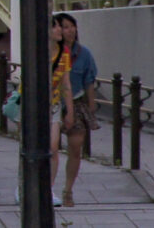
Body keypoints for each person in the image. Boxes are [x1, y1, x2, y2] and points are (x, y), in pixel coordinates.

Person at [52, 12, 99, 206]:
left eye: (72, 26)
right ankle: (50, 187)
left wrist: (91, 104)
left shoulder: (84, 54)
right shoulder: (53, 52)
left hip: (77, 102)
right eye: (65, 27)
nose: (69, 31)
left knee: (76, 145)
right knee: (52, 148)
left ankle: (68, 190)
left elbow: (89, 80)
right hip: (55, 102)